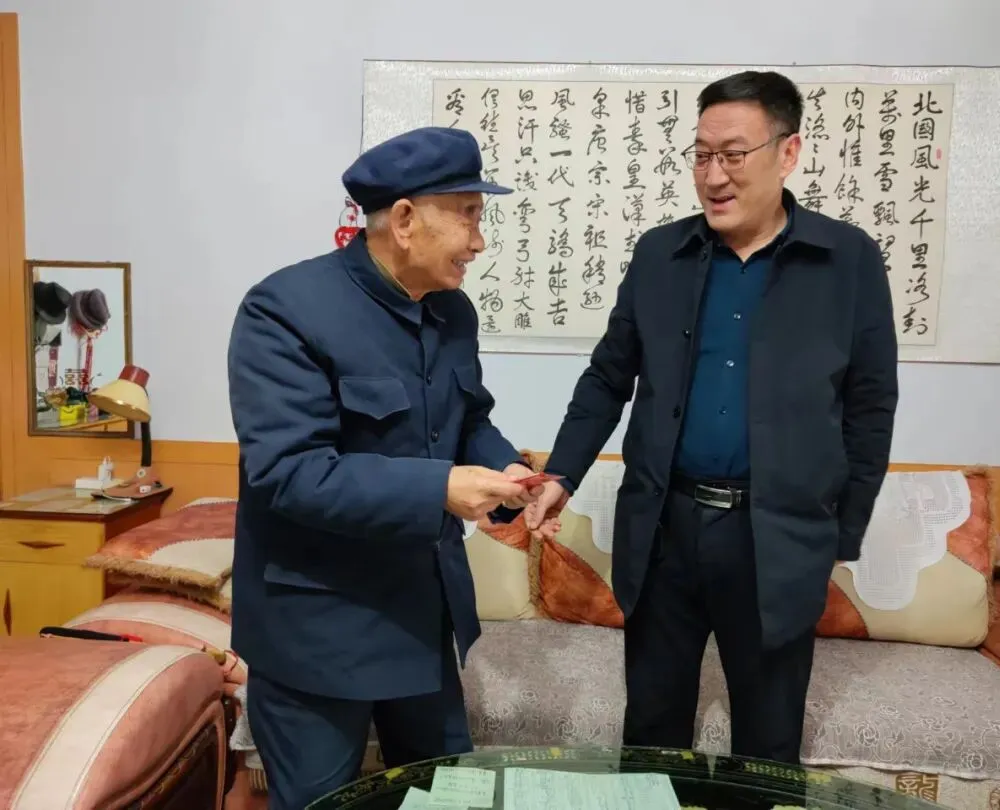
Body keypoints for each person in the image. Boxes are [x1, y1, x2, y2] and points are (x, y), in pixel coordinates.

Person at [525, 71, 899, 764]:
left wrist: (838, 533)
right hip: (665, 527)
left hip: (777, 537)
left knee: (768, 743)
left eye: (733, 154)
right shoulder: (659, 255)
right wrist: (562, 475)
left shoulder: (847, 261)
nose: (713, 175)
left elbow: (870, 407)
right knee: (652, 730)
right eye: (701, 155)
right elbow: (608, 377)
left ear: (788, 153)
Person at [227, 126, 545, 808]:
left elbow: (468, 419)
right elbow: (289, 472)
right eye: (469, 216)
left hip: (421, 617)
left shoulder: (452, 311)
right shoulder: (284, 310)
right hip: (316, 629)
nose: (479, 241)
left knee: (442, 797)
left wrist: (507, 471)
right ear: (404, 220)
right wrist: (442, 487)